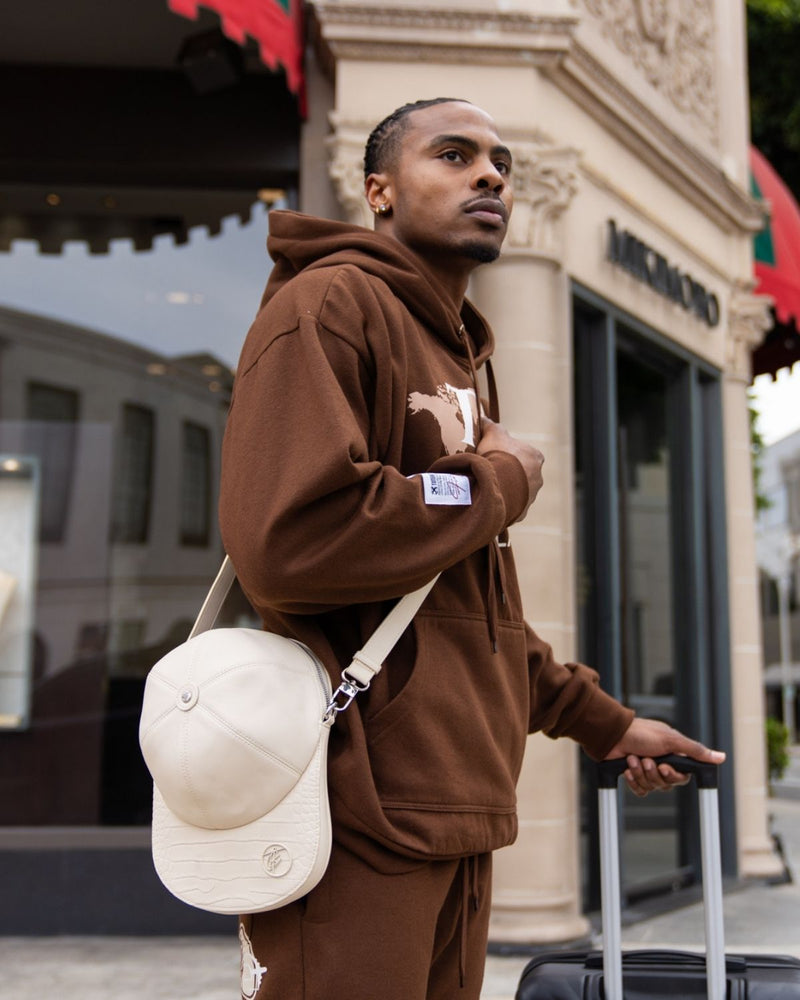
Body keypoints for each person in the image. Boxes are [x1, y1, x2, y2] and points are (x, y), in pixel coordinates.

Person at [219, 97, 725, 1000]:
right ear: (377, 188)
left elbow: (468, 609)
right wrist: (496, 484)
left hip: (457, 807)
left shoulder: (456, 354)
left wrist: (604, 724)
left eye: (501, 163)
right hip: (353, 811)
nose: (490, 174)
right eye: (453, 155)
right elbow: (291, 542)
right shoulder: (329, 306)